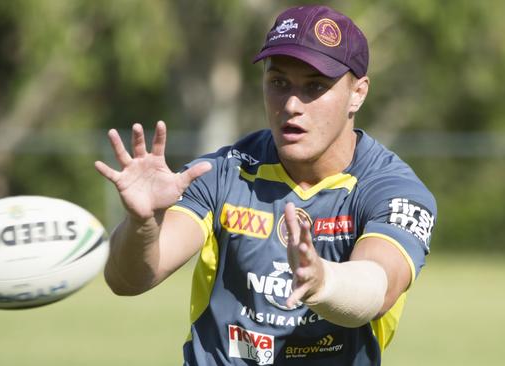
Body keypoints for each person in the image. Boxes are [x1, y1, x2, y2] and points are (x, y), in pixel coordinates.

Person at [95, 4, 436, 366]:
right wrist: (142, 224)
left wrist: (322, 281)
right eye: (279, 82)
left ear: (358, 93)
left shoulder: (393, 190)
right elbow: (127, 280)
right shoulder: (221, 173)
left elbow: (376, 288)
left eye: (315, 87)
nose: (291, 104)